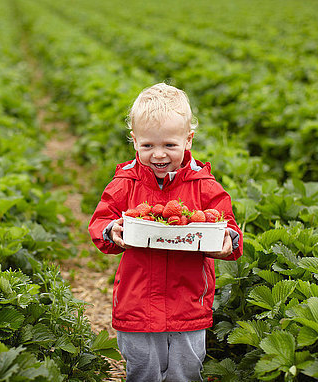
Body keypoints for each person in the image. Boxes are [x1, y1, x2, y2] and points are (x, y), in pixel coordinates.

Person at [88, 83, 243, 382]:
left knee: (185, 373)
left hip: (188, 306)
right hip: (136, 304)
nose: (158, 155)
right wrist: (112, 230)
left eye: (169, 145)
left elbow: (228, 227)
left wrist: (227, 241)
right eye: (148, 146)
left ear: (188, 140)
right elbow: (100, 222)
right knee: (142, 372)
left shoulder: (205, 186)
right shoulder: (125, 183)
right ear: (134, 142)